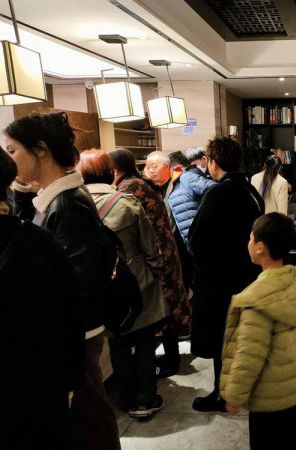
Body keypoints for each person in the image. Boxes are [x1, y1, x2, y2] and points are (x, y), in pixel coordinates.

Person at [5, 112, 121, 449]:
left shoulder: (67, 205)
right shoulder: (55, 199)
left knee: (90, 418)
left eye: (13, 151)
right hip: (72, 331)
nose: (10, 161)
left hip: (77, 333)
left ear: (40, 150)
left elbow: (77, 283)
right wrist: (20, 192)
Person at [1, 147, 84, 449]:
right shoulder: (37, 241)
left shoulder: (60, 211)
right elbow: (70, 315)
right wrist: (70, 381)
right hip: (38, 388)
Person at [77, 149, 168, 419]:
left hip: (102, 288)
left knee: (118, 343)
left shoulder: (73, 206)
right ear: (111, 172)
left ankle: (126, 398)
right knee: (144, 343)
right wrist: (156, 273)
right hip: (138, 283)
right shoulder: (126, 203)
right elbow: (151, 249)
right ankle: (146, 400)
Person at [221, 213, 296, 450]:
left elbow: (249, 356)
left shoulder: (257, 299)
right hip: (291, 384)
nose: (248, 243)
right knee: (288, 439)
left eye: (251, 238)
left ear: (260, 248)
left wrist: (235, 396)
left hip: (268, 393)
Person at [188, 137, 264, 412]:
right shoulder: (250, 191)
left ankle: (223, 395)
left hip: (219, 281)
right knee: (240, 339)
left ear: (212, 162)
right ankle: (240, 389)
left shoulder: (218, 193)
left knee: (223, 340)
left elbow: (196, 240)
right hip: (246, 276)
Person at [110, 148, 190, 379]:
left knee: (161, 308)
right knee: (168, 304)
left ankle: (170, 361)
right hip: (165, 252)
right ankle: (171, 358)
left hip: (155, 255)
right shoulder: (141, 184)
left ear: (115, 170)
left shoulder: (128, 189)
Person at [168, 151, 217, 245]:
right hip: (192, 238)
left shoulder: (187, 176)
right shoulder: (180, 179)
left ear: (176, 167)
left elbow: (216, 189)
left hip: (197, 239)